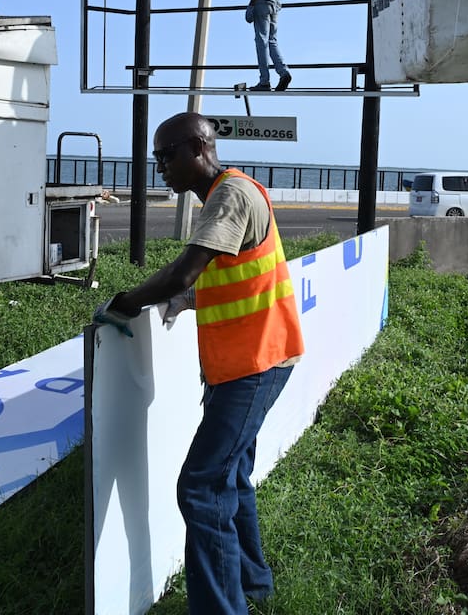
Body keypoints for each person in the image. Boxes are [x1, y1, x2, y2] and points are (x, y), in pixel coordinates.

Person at [93, 112, 305, 614]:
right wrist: (183, 303)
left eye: (166, 156)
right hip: (249, 362)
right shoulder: (227, 196)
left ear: (197, 148)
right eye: (156, 158)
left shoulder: (230, 196)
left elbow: (185, 271)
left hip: (255, 364)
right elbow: (224, 276)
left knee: (201, 486)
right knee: (229, 477)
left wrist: (125, 301)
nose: (159, 167)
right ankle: (252, 584)